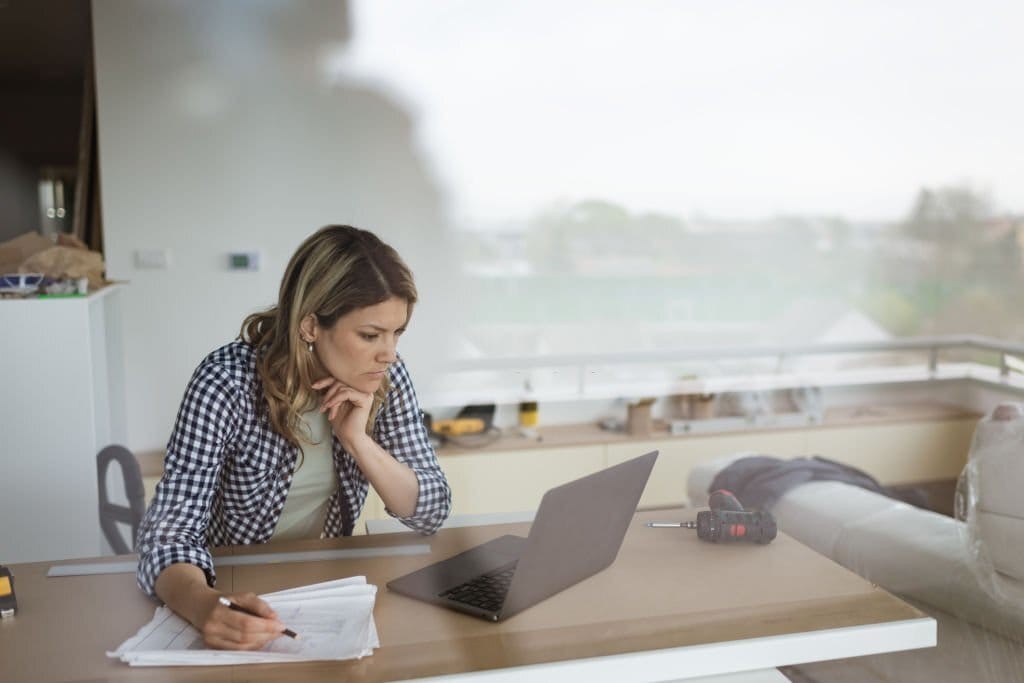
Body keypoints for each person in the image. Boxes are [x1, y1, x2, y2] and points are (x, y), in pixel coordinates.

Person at [136, 225, 451, 650]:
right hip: (232, 588)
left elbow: (430, 510)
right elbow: (168, 536)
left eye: (397, 334)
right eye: (370, 335)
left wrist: (358, 440)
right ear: (310, 326)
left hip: (324, 590)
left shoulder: (384, 378)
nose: (389, 353)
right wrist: (207, 607)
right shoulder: (226, 383)